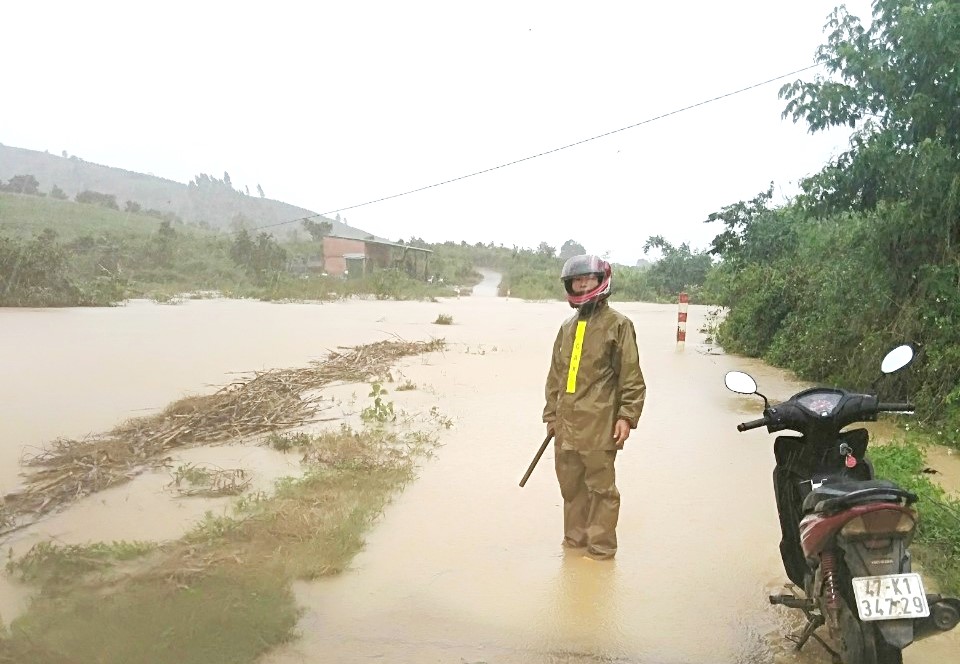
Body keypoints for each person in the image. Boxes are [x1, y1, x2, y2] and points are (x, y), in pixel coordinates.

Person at [542, 254, 646, 559]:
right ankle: (574, 545)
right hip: (565, 427)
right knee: (571, 489)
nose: (581, 283)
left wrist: (626, 417)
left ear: (602, 281)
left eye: (587, 279)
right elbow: (554, 378)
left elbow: (632, 376)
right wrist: (551, 417)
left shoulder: (619, 325)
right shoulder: (567, 327)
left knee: (602, 491)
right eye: (577, 279)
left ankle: (601, 551)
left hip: (599, 425)